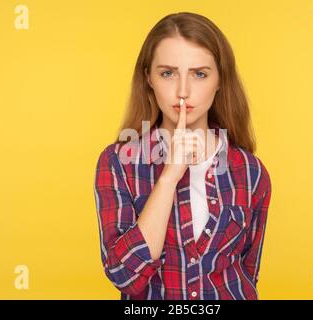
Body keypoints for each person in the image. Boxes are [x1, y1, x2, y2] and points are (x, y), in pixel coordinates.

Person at [94, 12, 272, 300]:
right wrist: (169, 177)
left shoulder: (251, 172)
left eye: (199, 74)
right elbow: (124, 275)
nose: (183, 91)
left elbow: (248, 272)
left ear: (219, 81)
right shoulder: (118, 162)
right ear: (148, 78)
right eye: (168, 73)